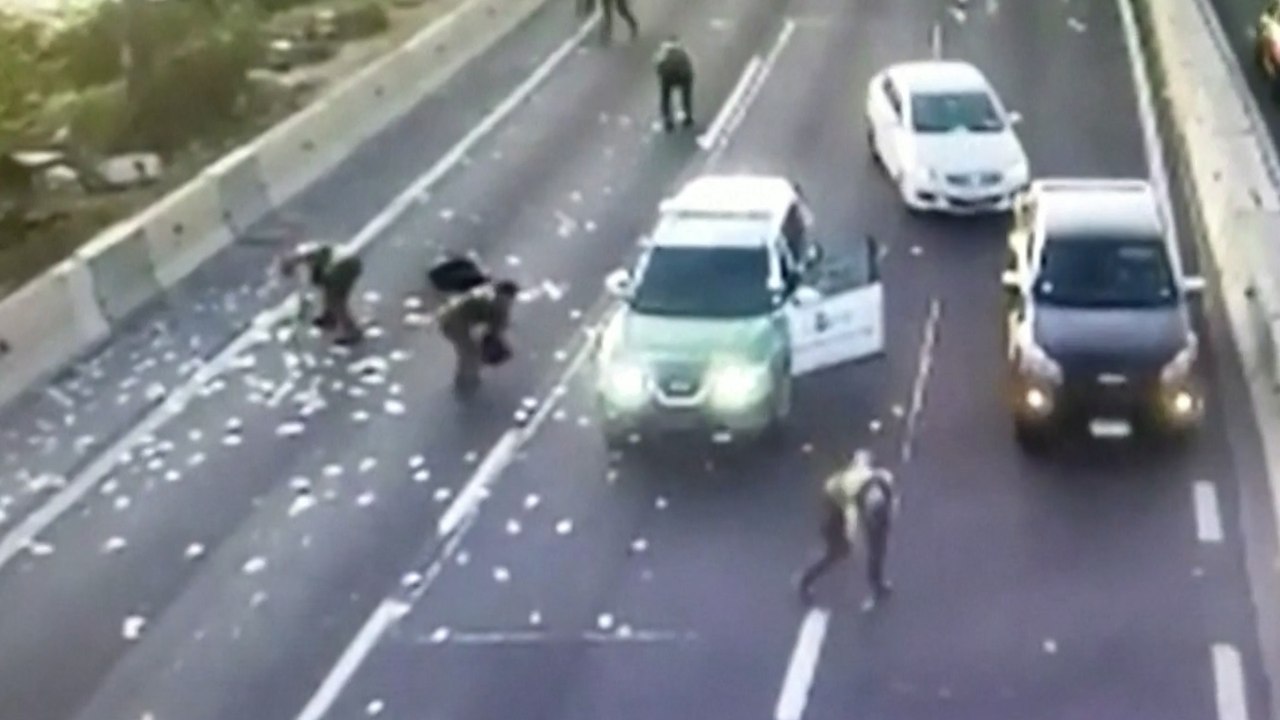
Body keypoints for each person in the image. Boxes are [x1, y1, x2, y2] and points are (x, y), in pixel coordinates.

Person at [797, 448, 898, 610]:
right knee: (838, 552)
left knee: (877, 546)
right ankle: (805, 581)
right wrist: (851, 537)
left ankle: (877, 584)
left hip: (853, 495)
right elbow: (852, 519)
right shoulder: (851, 496)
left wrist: (885, 515)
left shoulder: (882, 480)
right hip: (834, 503)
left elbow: (863, 462)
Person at [438, 279, 520, 393]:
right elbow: (496, 326)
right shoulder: (498, 303)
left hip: (450, 319)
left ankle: (466, 381)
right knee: (470, 353)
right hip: (454, 321)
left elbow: (494, 327)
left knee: (469, 352)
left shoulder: (489, 298)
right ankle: (465, 384)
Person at [279, 242, 364, 345]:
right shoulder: (306, 251)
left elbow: (318, 274)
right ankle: (329, 318)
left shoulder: (308, 256)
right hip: (346, 263)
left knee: (336, 301)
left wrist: (316, 279)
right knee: (330, 292)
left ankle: (352, 331)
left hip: (345, 265)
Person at [654, 36, 694, 132]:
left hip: (668, 76)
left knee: (666, 97)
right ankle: (688, 116)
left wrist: (662, 77)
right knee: (686, 95)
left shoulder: (662, 51)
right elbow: (689, 64)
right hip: (684, 76)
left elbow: (657, 65)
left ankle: (668, 121)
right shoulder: (682, 49)